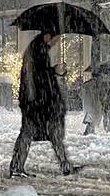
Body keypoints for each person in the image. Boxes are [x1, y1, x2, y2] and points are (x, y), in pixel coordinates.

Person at [10, 31, 76, 177]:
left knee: (43, 133)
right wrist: (54, 71)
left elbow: (39, 75)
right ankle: (64, 165)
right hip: (39, 103)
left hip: (36, 102)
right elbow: (40, 77)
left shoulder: (36, 49)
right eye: (55, 40)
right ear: (48, 36)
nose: (55, 43)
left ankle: (17, 166)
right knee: (46, 133)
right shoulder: (38, 50)